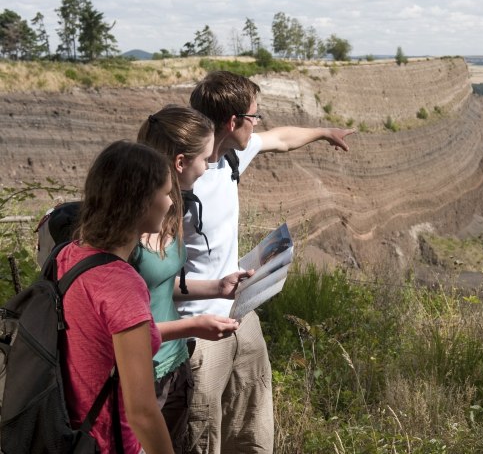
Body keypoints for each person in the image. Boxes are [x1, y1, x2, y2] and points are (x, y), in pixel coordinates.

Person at [179, 70, 354, 454]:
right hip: (198, 329)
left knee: (251, 425)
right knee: (201, 433)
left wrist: (325, 132)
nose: (258, 124)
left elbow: (282, 139)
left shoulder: (232, 156)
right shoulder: (178, 182)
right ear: (233, 121)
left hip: (242, 312)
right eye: (254, 116)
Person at [135, 105, 252, 453]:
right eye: (204, 157)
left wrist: (217, 287)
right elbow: (124, 327)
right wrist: (193, 326)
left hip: (173, 366)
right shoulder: (136, 221)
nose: (210, 164)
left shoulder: (170, 210)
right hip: (144, 372)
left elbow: (157, 285)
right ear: (181, 162)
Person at [57, 140, 176, 454]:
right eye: (165, 193)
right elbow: (143, 413)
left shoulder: (71, 254)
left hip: (69, 431)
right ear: (140, 201)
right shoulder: (121, 284)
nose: (171, 203)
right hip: (108, 442)